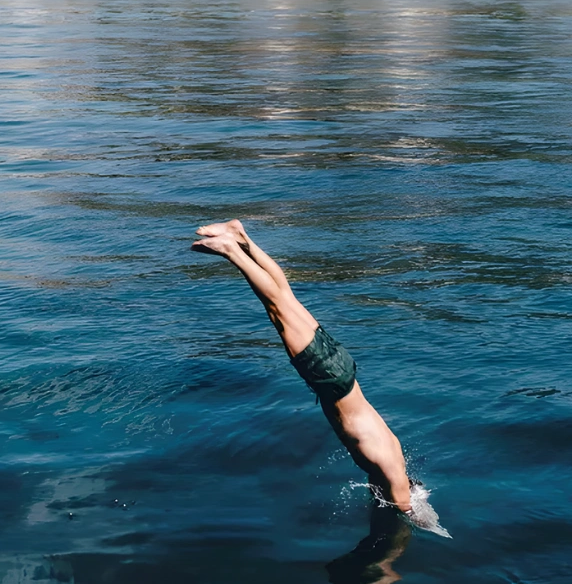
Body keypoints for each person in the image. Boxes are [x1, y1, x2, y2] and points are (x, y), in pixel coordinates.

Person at [190, 219, 444, 535]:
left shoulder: (394, 456)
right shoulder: (392, 474)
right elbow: (405, 507)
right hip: (330, 378)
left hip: (340, 369)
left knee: (286, 297)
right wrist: (420, 522)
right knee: (277, 307)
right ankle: (232, 250)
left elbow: (401, 494)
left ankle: (242, 238)